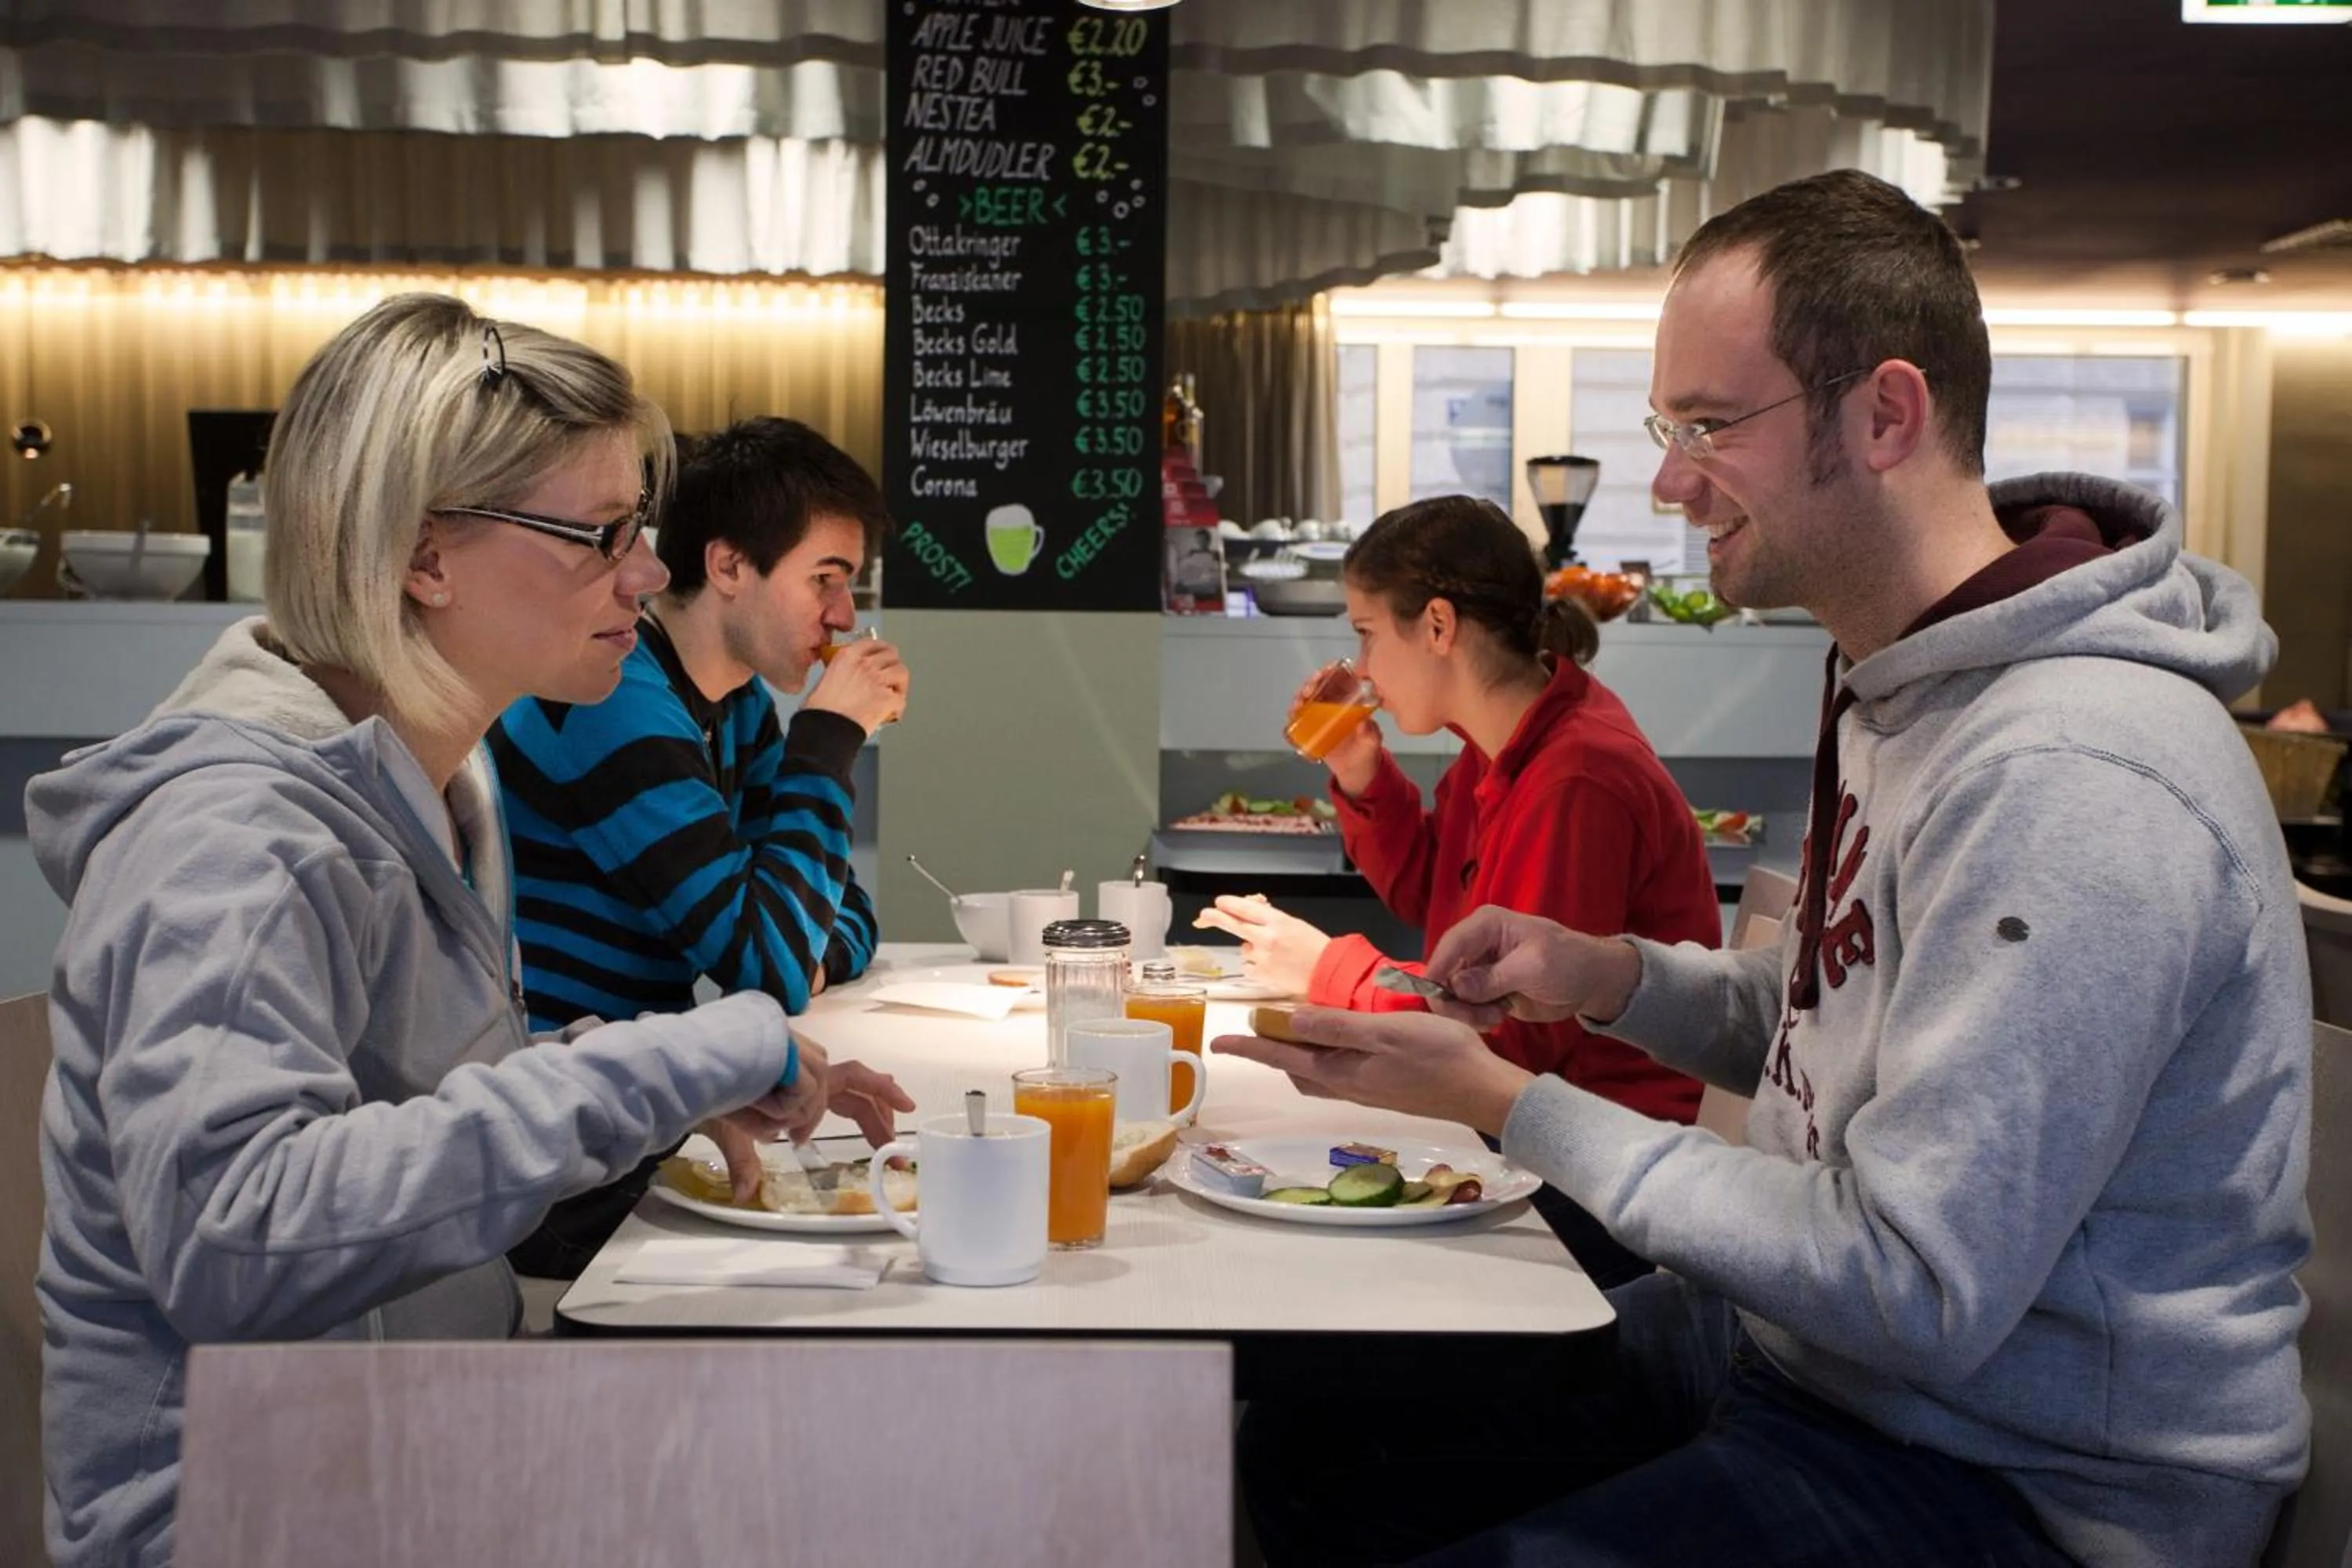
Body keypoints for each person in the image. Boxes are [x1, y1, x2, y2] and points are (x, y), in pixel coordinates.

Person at [1219, 169, 2310, 1568]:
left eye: (1711, 426)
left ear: (1887, 416)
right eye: (1669, 429)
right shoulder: (1901, 684)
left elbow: (1912, 1282)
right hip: (1820, 1366)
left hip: (2027, 1479)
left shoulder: (2074, 771)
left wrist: (1505, 1102)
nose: (1670, 482)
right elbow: (1840, 1023)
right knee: (1305, 1437)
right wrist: (1613, 976)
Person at [27, 296, 871, 1567]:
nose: (648, 574)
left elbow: (417, 1111)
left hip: (421, 1431)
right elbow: (232, 1236)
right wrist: (654, 1067)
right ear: (427, 557)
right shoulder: (237, 837)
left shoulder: (436, 784)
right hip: (252, 1511)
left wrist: (661, 1095)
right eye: (600, 534)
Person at [1196, 494, 1718, 1286]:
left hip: (1600, 1174)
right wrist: (1360, 770)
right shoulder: (1508, 740)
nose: (1362, 669)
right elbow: (1430, 894)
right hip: (1539, 1132)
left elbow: (1509, 1033)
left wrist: (1327, 970)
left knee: (1296, 1255)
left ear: (1438, 626)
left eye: (1367, 634)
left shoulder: (1577, 775)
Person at [489, 416, 910, 1271]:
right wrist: (828, 739)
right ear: (727, 567)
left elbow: (844, 915)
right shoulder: (612, 700)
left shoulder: (737, 705)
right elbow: (770, 965)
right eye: (825, 580)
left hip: (647, 1107)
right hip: (555, 1161)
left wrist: (790, 945)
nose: (844, 615)